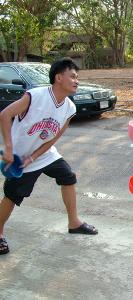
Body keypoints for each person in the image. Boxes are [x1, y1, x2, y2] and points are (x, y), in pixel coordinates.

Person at [0, 57, 98, 256]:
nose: (76, 80)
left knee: (67, 176)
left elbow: (52, 140)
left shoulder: (70, 108)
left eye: (77, 77)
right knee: (12, 195)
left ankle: (74, 222)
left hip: (44, 154)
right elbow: (5, 115)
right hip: (18, 156)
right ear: (59, 77)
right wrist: (9, 149)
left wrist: (34, 157)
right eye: (72, 76)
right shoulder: (34, 96)